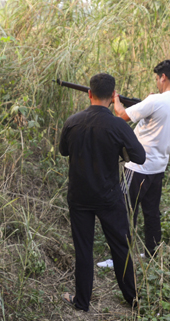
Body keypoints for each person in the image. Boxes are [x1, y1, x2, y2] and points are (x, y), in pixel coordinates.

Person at [59, 73, 146, 312]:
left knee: (83, 250)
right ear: (112, 96)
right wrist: (120, 151)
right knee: (120, 246)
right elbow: (139, 156)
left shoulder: (72, 121)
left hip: (79, 197)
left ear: (89, 94)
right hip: (109, 196)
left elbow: (63, 151)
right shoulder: (118, 125)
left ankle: (81, 302)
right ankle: (133, 300)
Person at [111, 60, 170, 258]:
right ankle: (151, 253)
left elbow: (121, 115)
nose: (157, 83)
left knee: (123, 211)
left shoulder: (156, 101)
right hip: (159, 166)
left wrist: (115, 98)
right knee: (152, 213)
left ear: (163, 77)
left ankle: (121, 257)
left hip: (137, 166)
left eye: (157, 79)